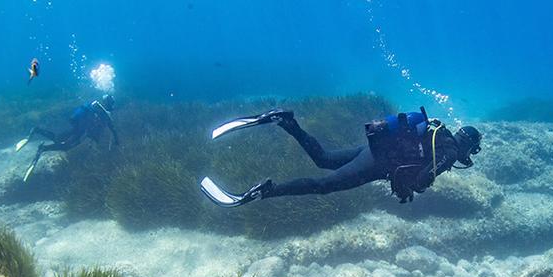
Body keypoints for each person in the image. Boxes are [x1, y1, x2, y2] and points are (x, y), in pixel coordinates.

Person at [199, 108, 482, 207]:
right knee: (323, 186)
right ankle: (264, 192)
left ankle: (286, 122)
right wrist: (410, 188)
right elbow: (421, 180)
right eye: (471, 151)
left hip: (374, 150)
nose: (467, 156)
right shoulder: (449, 153)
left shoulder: (437, 131)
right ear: (468, 146)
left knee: (323, 159)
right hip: (378, 163)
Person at [18, 94, 119, 181]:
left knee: (58, 139)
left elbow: (106, 127)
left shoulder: (97, 107)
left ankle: (37, 132)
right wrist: (116, 140)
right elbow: (111, 128)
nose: (112, 106)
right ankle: (42, 147)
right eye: (112, 104)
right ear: (109, 103)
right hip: (81, 131)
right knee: (66, 146)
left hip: (79, 128)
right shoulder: (103, 112)